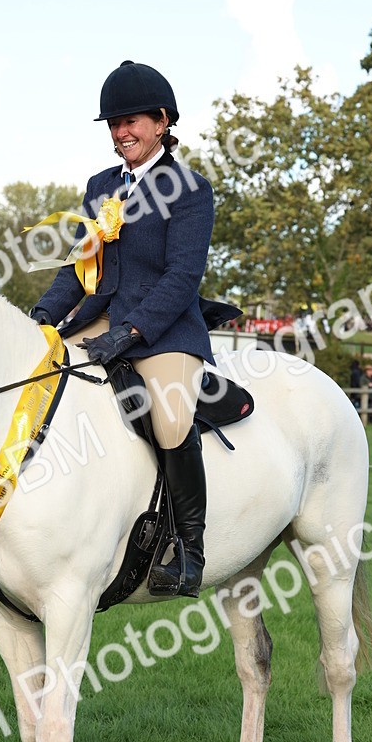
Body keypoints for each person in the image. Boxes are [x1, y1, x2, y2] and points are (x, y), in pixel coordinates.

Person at [28, 60, 220, 597]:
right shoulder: (101, 185)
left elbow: (182, 278)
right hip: (100, 318)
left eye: (130, 121)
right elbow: (79, 266)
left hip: (165, 330)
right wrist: (42, 317)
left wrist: (131, 333)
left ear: (162, 121)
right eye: (113, 125)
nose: (120, 133)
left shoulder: (189, 188)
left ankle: (188, 549)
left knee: (170, 421)